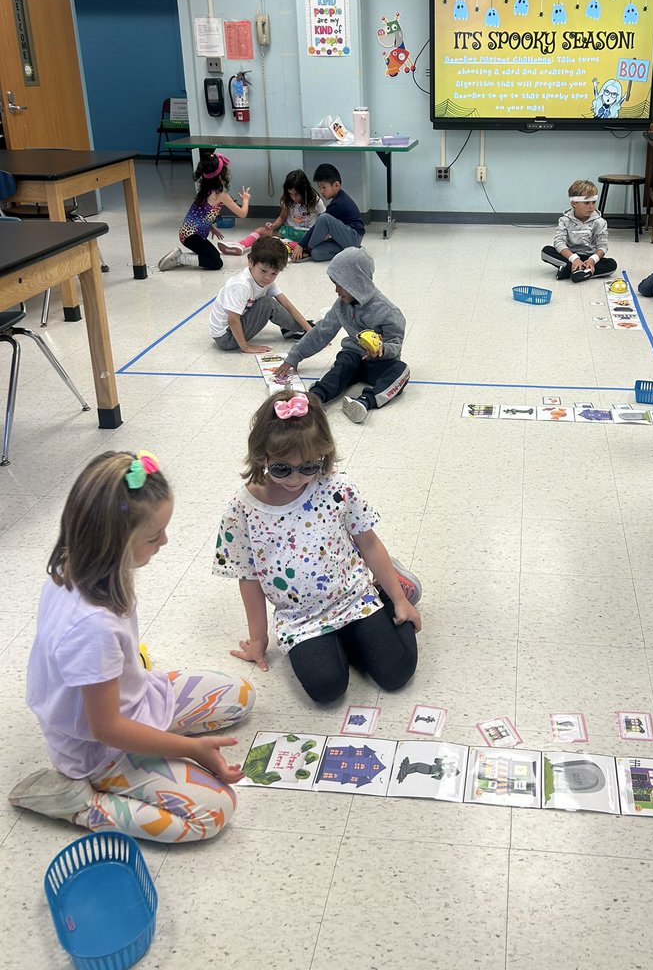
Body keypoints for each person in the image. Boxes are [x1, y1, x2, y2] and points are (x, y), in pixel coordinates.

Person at [9, 452, 255, 843]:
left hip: (132, 700)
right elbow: (107, 728)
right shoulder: (91, 626)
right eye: (154, 537)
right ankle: (81, 803)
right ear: (113, 542)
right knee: (214, 811)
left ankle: (158, 740)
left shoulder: (79, 565)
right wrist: (190, 751)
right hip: (98, 753)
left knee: (241, 694)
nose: (165, 542)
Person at [216, 389, 422, 704]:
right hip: (301, 618)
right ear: (263, 456)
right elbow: (248, 577)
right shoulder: (241, 510)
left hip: (354, 596)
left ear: (323, 456)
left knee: (397, 673)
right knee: (327, 689)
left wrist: (398, 601)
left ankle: (392, 585)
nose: (296, 478)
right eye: (282, 468)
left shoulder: (337, 488)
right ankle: (352, 637)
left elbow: (368, 542)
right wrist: (258, 639)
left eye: (309, 467)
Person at [272, 246, 408, 425]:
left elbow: (395, 344)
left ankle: (364, 402)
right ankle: (315, 398)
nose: (336, 290)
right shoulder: (341, 305)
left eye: (340, 284)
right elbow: (321, 332)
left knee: (402, 371)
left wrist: (382, 350)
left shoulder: (388, 311)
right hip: (353, 356)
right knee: (341, 367)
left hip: (380, 363)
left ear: (356, 282)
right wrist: (295, 356)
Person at [209, 235, 314, 354]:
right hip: (226, 338)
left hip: (231, 331)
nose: (268, 277)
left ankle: (298, 328)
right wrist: (245, 348)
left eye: (274, 273)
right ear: (250, 262)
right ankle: (297, 329)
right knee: (266, 303)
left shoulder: (266, 281)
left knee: (269, 301)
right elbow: (232, 319)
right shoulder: (241, 285)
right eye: (263, 271)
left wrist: (310, 330)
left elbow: (287, 305)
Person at [158, 151, 250, 272]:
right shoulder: (221, 195)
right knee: (216, 263)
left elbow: (200, 215)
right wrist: (246, 199)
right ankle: (180, 258)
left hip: (188, 234)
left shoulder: (205, 190)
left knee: (215, 255)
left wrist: (210, 226)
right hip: (191, 236)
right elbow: (242, 214)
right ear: (222, 176)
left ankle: (179, 256)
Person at [218, 168, 325, 261]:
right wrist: (273, 226)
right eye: (291, 194)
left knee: (277, 244)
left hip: (308, 234)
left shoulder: (315, 200)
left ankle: (291, 246)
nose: (294, 198)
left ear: (304, 190)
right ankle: (241, 244)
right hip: (290, 230)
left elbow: (324, 219)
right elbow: (282, 217)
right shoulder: (287, 201)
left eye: (297, 194)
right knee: (259, 231)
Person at [540, 179, 618, 283]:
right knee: (546, 251)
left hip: (589, 258)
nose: (591, 207)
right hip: (569, 256)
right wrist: (574, 259)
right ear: (574, 203)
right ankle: (582, 271)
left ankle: (572, 270)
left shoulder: (600, 222)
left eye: (593, 202)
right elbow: (559, 242)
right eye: (586, 203)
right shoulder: (565, 220)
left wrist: (592, 260)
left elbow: (602, 246)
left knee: (612, 265)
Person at [294, 164, 364, 263]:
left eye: (324, 187)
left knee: (323, 218)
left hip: (353, 237)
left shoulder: (339, 203)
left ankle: (308, 249)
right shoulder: (337, 199)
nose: (321, 191)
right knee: (316, 254)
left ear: (336, 185)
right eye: (319, 187)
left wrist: (302, 244)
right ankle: (352, 251)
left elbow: (320, 223)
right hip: (344, 239)